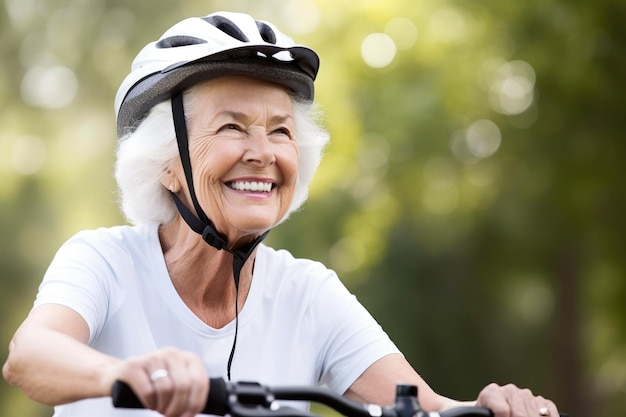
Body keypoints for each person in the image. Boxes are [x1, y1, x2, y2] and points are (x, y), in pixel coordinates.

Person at [2, 11, 559, 417]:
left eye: (281, 132)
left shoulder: (308, 293)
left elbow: (428, 410)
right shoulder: (103, 261)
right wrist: (121, 375)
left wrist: (495, 409)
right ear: (167, 166)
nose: (263, 153)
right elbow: (30, 356)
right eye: (231, 127)